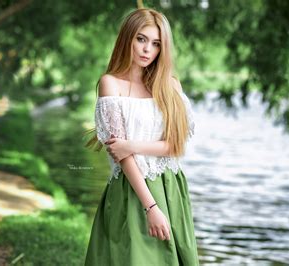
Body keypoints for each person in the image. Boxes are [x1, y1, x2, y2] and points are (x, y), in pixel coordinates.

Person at [84, 7, 199, 266]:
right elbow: (122, 157)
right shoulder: (110, 84)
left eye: (156, 43)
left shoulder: (169, 85)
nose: (148, 49)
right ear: (128, 38)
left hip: (170, 187)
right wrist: (151, 207)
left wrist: (130, 145)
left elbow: (176, 146)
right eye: (141, 39)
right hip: (131, 188)